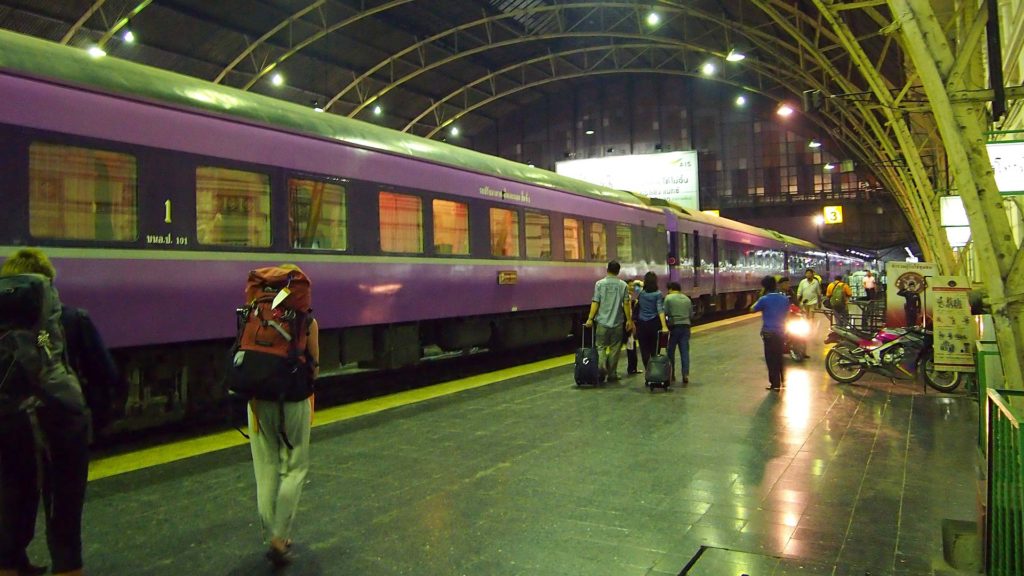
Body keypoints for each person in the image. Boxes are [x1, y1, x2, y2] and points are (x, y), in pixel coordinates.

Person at [0, 248, 120, 576]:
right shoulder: (72, 319)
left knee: (11, 496)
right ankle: (66, 567)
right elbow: (105, 376)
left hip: (7, 421)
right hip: (62, 423)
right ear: (48, 284)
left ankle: (11, 562)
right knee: (64, 506)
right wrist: (98, 419)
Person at [247, 264, 320, 566]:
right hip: (293, 399)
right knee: (294, 466)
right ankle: (280, 537)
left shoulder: (252, 315)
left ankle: (270, 534)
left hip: (258, 400)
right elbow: (314, 364)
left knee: (266, 466)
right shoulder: (307, 321)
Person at [585, 261, 633, 382]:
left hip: (602, 322)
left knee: (600, 347)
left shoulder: (599, 284)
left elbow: (596, 302)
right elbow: (626, 303)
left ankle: (601, 367)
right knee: (615, 348)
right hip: (617, 322)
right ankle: (612, 374)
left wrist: (590, 318)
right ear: (618, 271)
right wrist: (629, 320)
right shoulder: (623, 285)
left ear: (607, 270)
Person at [751, 275, 790, 391]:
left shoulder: (764, 299)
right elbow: (787, 312)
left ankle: (775, 384)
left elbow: (752, 309)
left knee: (770, 358)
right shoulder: (784, 299)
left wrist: (761, 297)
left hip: (768, 333)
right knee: (779, 356)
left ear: (765, 287)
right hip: (781, 332)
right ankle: (783, 380)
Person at [635, 272, 670, 370]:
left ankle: (648, 370)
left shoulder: (640, 292)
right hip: (654, 324)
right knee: (654, 349)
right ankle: (655, 370)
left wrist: (642, 283)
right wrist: (664, 326)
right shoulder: (658, 294)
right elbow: (660, 310)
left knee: (644, 349)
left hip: (642, 325)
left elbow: (635, 283)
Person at [664, 282, 693, 384]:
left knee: (670, 352)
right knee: (684, 352)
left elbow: (665, 312)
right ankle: (685, 375)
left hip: (674, 327)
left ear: (671, 289)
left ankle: (671, 374)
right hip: (686, 327)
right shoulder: (687, 299)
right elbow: (691, 314)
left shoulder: (668, 298)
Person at [625, 279, 642, 375]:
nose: (632, 287)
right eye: (630, 285)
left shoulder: (629, 297)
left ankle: (632, 368)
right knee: (631, 347)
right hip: (628, 325)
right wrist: (631, 323)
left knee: (630, 346)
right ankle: (632, 368)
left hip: (627, 324)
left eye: (633, 286)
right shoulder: (627, 297)